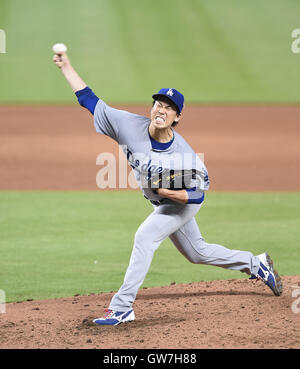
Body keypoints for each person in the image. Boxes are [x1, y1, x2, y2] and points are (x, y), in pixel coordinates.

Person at [53, 51, 283, 326]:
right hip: (163, 200)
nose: (161, 109)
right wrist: (66, 66)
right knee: (197, 253)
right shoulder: (127, 125)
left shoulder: (184, 156)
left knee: (144, 237)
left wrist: (167, 193)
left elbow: (197, 194)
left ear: (177, 118)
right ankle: (256, 264)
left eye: (168, 107)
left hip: (183, 202)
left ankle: (122, 307)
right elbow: (88, 99)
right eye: (158, 104)